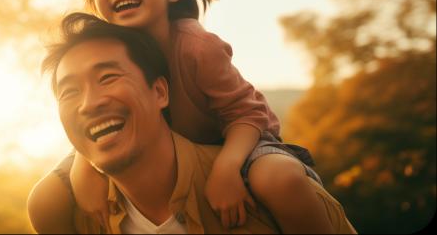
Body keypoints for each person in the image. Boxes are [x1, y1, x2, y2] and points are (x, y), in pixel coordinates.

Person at [28, 12, 356, 234]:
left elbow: (248, 112)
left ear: (160, 91)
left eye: (108, 77)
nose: (89, 103)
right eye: (69, 91)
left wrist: (230, 167)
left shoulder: (264, 196)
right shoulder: (75, 216)